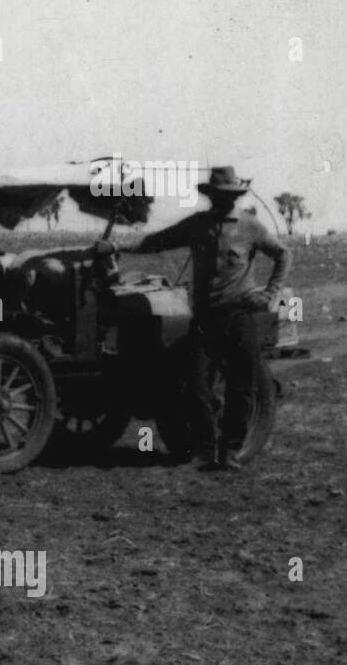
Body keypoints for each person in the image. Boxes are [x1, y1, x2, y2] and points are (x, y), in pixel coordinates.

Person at [119, 167, 290, 470]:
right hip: (204, 318)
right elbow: (155, 242)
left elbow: (283, 255)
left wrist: (269, 293)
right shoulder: (197, 225)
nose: (221, 201)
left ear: (234, 197)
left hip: (239, 314)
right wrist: (118, 247)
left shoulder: (251, 227)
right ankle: (204, 450)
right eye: (217, 196)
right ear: (210, 197)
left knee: (241, 386)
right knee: (195, 383)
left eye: (227, 196)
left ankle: (232, 451)